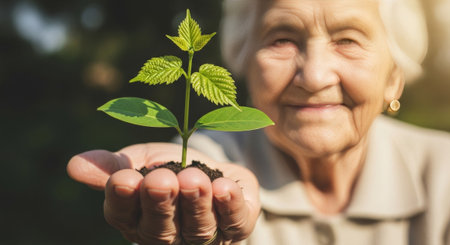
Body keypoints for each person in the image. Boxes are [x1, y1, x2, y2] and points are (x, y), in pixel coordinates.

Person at [67, 0, 450, 244]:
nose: (314, 76)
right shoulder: (215, 161)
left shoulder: (443, 176)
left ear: (393, 78)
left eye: (347, 40)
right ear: (244, 62)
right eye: (282, 39)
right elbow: (197, 178)